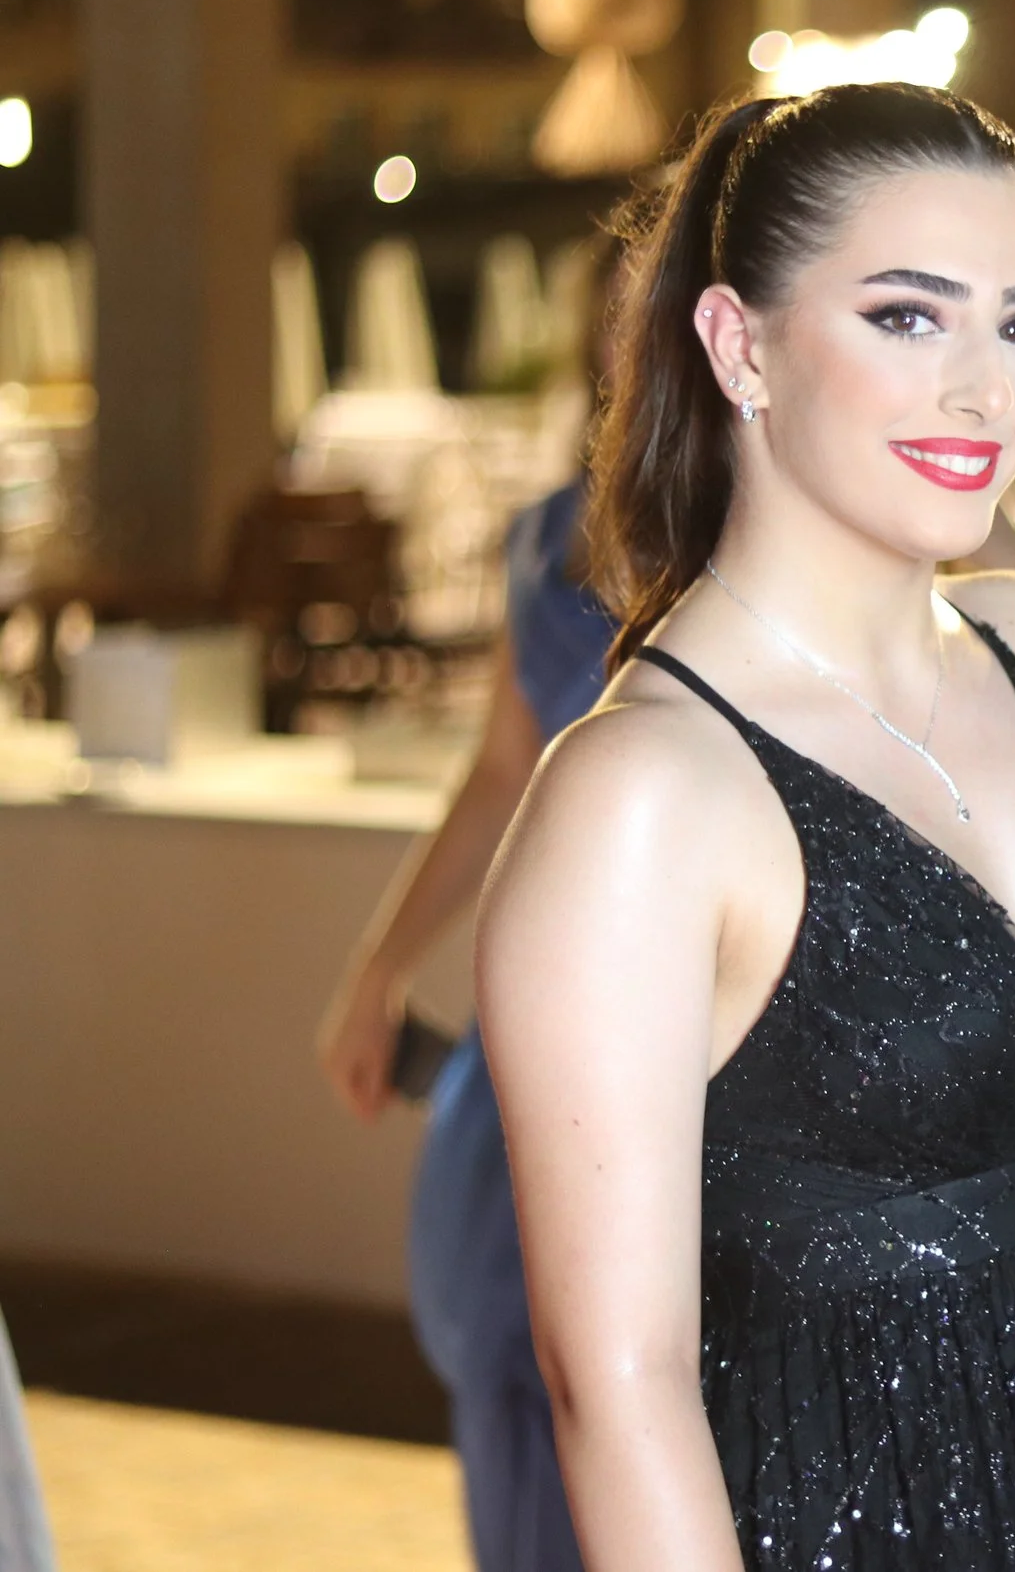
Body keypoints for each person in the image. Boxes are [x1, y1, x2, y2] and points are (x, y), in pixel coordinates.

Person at [475, 84, 1015, 1572]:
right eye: (905, 318)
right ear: (740, 344)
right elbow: (617, 1389)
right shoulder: (643, 796)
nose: (987, 391)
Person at [318, 469, 609, 1572]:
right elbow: (500, 775)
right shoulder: (553, 536)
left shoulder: (775, 502)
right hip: (534, 1045)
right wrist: (378, 964)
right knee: (513, 1369)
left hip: (708, 1051)